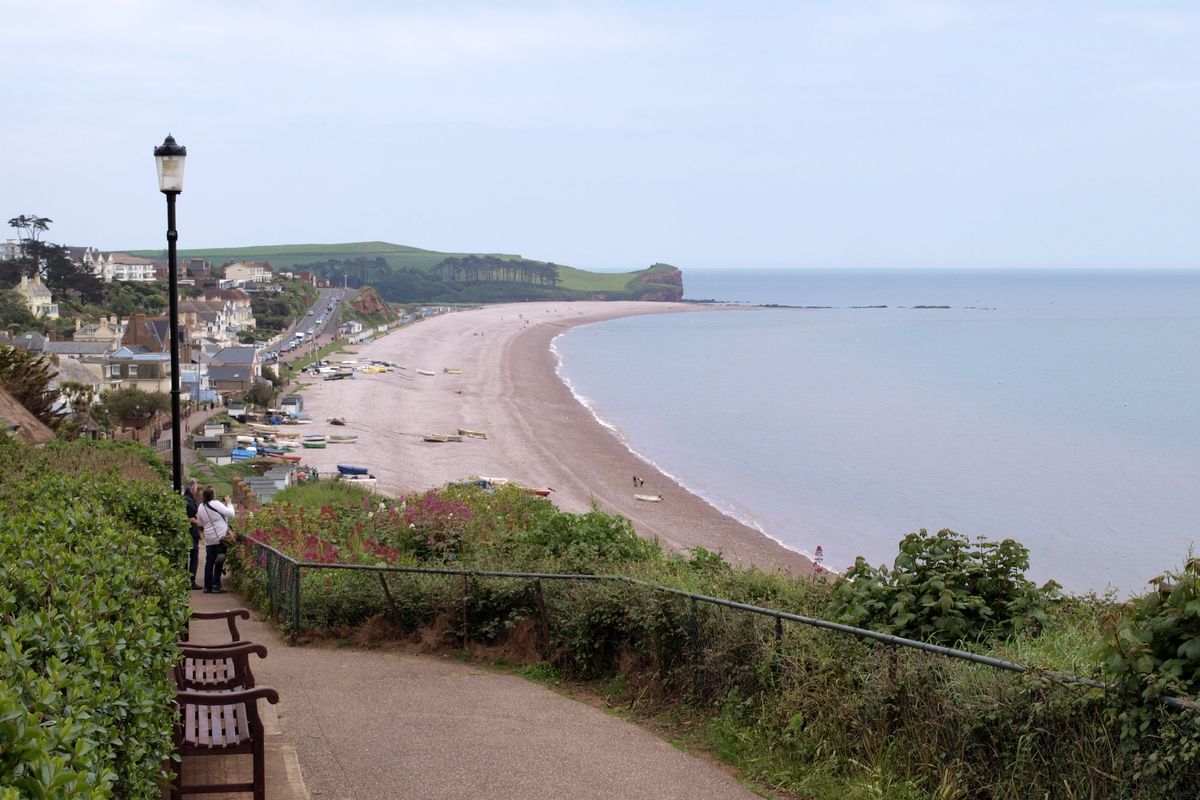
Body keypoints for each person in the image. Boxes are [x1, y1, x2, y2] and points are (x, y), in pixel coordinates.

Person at [196, 486, 236, 594]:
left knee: (209, 561)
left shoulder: (201, 507)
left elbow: (200, 523)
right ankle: (215, 585)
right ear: (212, 495)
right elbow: (231, 513)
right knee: (219, 561)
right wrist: (229, 503)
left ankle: (207, 586)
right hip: (220, 538)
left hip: (209, 539)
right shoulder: (216, 503)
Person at [183, 479, 202, 590]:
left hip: (189, 531)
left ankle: (186, 580)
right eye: (195, 487)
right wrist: (198, 522)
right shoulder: (188, 500)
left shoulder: (186, 498)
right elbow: (190, 517)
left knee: (187, 556)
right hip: (191, 532)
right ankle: (191, 581)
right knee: (194, 556)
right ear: (192, 488)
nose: (196, 490)